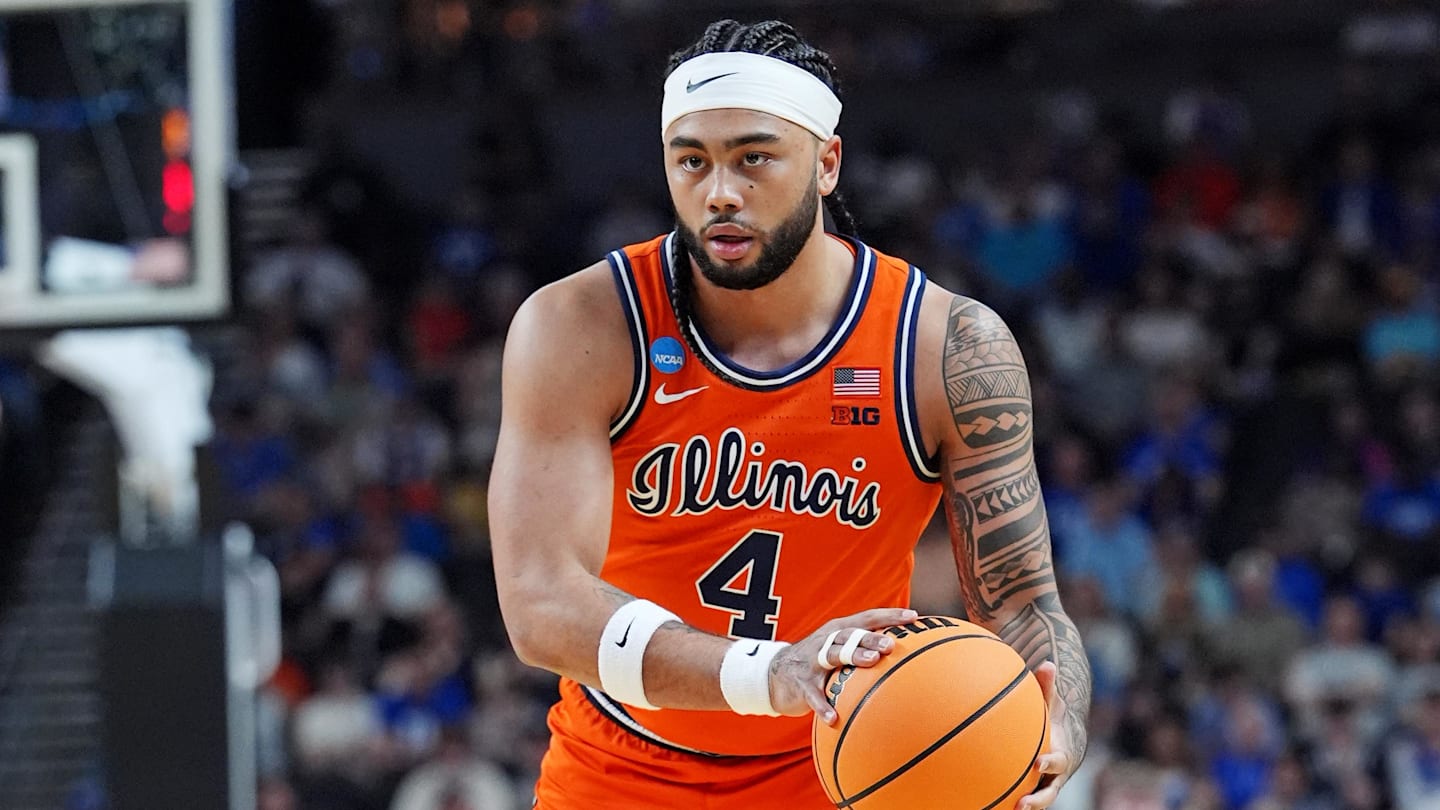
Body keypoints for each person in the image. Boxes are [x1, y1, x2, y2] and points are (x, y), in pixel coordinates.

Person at [488, 19, 1090, 809]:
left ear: (828, 162)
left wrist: (1062, 723)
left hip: (849, 763)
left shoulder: (943, 348)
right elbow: (540, 606)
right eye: (691, 162)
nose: (721, 192)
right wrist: (770, 674)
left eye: (754, 158)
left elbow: (1021, 600)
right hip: (620, 770)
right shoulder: (583, 325)